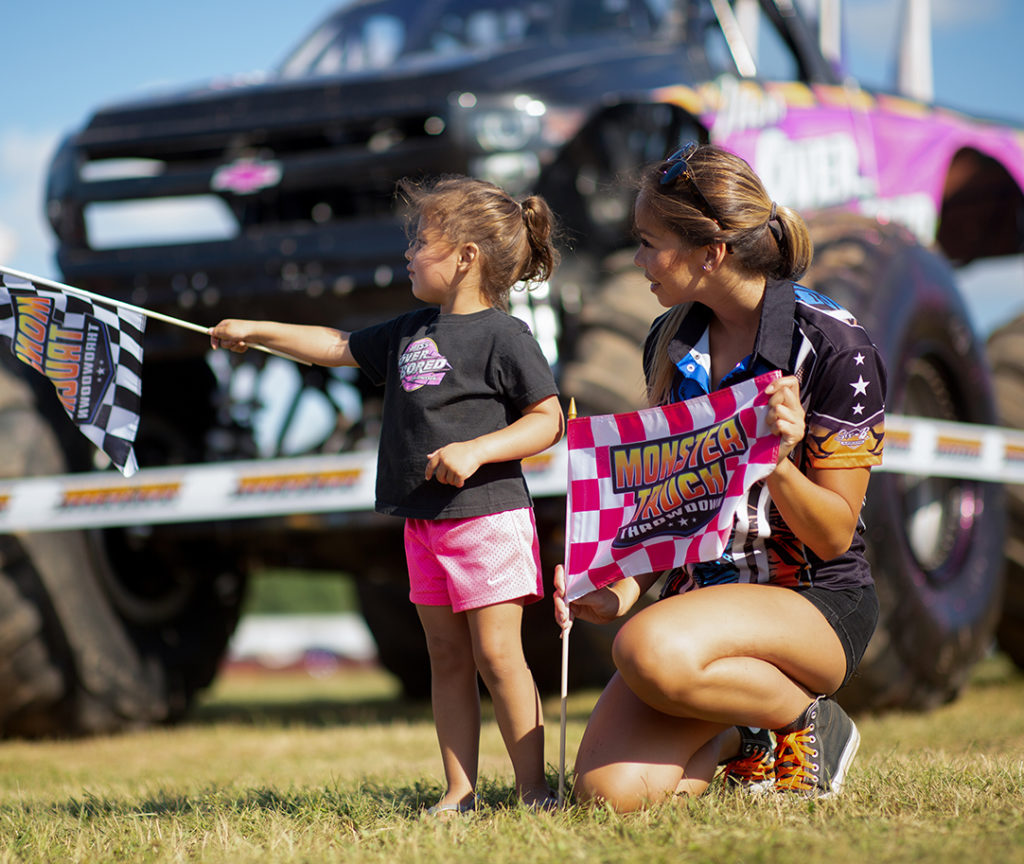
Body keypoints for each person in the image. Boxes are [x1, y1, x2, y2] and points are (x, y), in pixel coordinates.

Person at [211, 176, 564, 813]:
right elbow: (335, 346)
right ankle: (460, 791)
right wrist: (257, 330)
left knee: (498, 654)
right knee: (445, 656)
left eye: (420, 240)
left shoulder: (504, 337)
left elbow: (547, 419)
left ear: (466, 258)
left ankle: (535, 790)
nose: (407, 254)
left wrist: (477, 450)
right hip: (423, 524)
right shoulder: (409, 329)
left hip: (489, 519)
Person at [553, 143, 886, 811]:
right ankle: (751, 740)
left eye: (649, 244)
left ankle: (806, 718)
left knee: (646, 649)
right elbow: (677, 504)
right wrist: (614, 593)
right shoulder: (667, 341)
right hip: (697, 605)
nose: (639, 262)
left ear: (711, 252)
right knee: (607, 797)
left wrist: (777, 461)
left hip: (816, 605)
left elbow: (832, 536)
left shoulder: (834, 344)